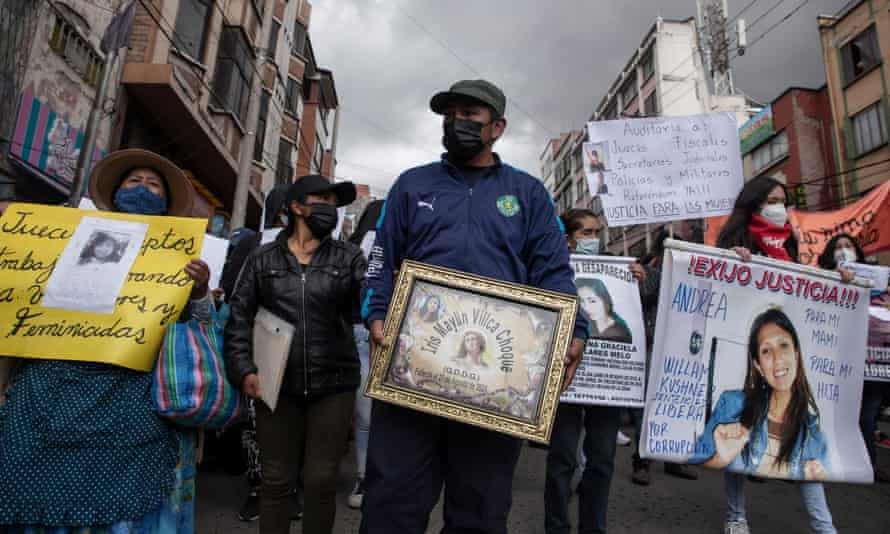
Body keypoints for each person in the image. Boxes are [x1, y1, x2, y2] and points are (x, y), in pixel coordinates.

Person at [360, 79, 587, 534]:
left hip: (494, 383)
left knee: (479, 514)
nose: (456, 123)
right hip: (411, 370)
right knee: (391, 507)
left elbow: (554, 271)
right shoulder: (411, 185)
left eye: (470, 115)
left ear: (497, 127)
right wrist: (376, 314)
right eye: (450, 115)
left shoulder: (528, 194)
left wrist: (575, 331)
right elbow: (381, 261)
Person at [0, 148, 213, 533]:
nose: (144, 189)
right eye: (135, 181)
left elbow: (197, 329)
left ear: (165, 204)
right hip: (50, 388)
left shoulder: (178, 257)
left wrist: (198, 293)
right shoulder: (63, 238)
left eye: (154, 185)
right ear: (115, 193)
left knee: (129, 499)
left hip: (133, 397)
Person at [225, 175, 366, 534]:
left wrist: (381, 290)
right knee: (275, 480)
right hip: (275, 384)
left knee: (320, 480)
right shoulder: (261, 259)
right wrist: (243, 370)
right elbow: (238, 319)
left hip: (334, 383)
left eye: (333, 201)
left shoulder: (350, 257)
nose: (328, 207)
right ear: (295, 206)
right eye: (319, 198)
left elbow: (366, 309)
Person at [714, 175, 838, 534]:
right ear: (754, 204)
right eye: (772, 199)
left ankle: (824, 526)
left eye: (783, 200)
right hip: (747, 355)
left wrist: (838, 279)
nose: (779, 207)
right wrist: (731, 262)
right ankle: (735, 516)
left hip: (785, 360)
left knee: (800, 436)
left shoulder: (790, 245)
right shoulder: (735, 243)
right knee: (740, 438)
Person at [545, 208, 643, 534]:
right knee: (562, 461)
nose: (593, 238)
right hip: (567, 378)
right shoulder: (553, 267)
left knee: (601, 462)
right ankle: (557, 527)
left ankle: (593, 528)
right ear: (568, 238)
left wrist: (644, 280)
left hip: (607, 384)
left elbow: (651, 300)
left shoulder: (619, 271)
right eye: (585, 232)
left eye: (596, 231)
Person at [217, 184, 305, 523]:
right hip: (260, 342)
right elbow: (233, 291)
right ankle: (259, 487)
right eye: (289, 208)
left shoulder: (320, 247)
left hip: (304, 348)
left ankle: (290, 489)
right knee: (257, 422)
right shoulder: (252, 244)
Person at [691, 308, 828, 479]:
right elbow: (694, 456)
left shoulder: (812, 430)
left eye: (783, 345)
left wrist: (817, 473)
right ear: (758, 366)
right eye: (766, 351)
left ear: (796, 353)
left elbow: (822, 485)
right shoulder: (734, 405)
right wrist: (720, 459)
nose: (777, 359)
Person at [818, 233, 890, 482]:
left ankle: (866, 462)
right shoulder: (823, 276)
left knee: (868, 413)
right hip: (838, 359)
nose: (844, 250)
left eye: (848, 246)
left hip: (876, 360)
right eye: (838, 247)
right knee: (844, 413)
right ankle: (846, 461)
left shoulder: (878, 280)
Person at [345, 199, 385, 510]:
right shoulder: (359, 252)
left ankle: (371, 476)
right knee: (370, 414)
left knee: (369, 415)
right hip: (372, 334)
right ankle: (368, 475)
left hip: (369, 333)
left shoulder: (350, 249)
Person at [577, 279, 632, 344]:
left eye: (592, 301)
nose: (586, 307)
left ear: (605, 300)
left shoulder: (621, 331)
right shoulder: (582, 322)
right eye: (582, 301)